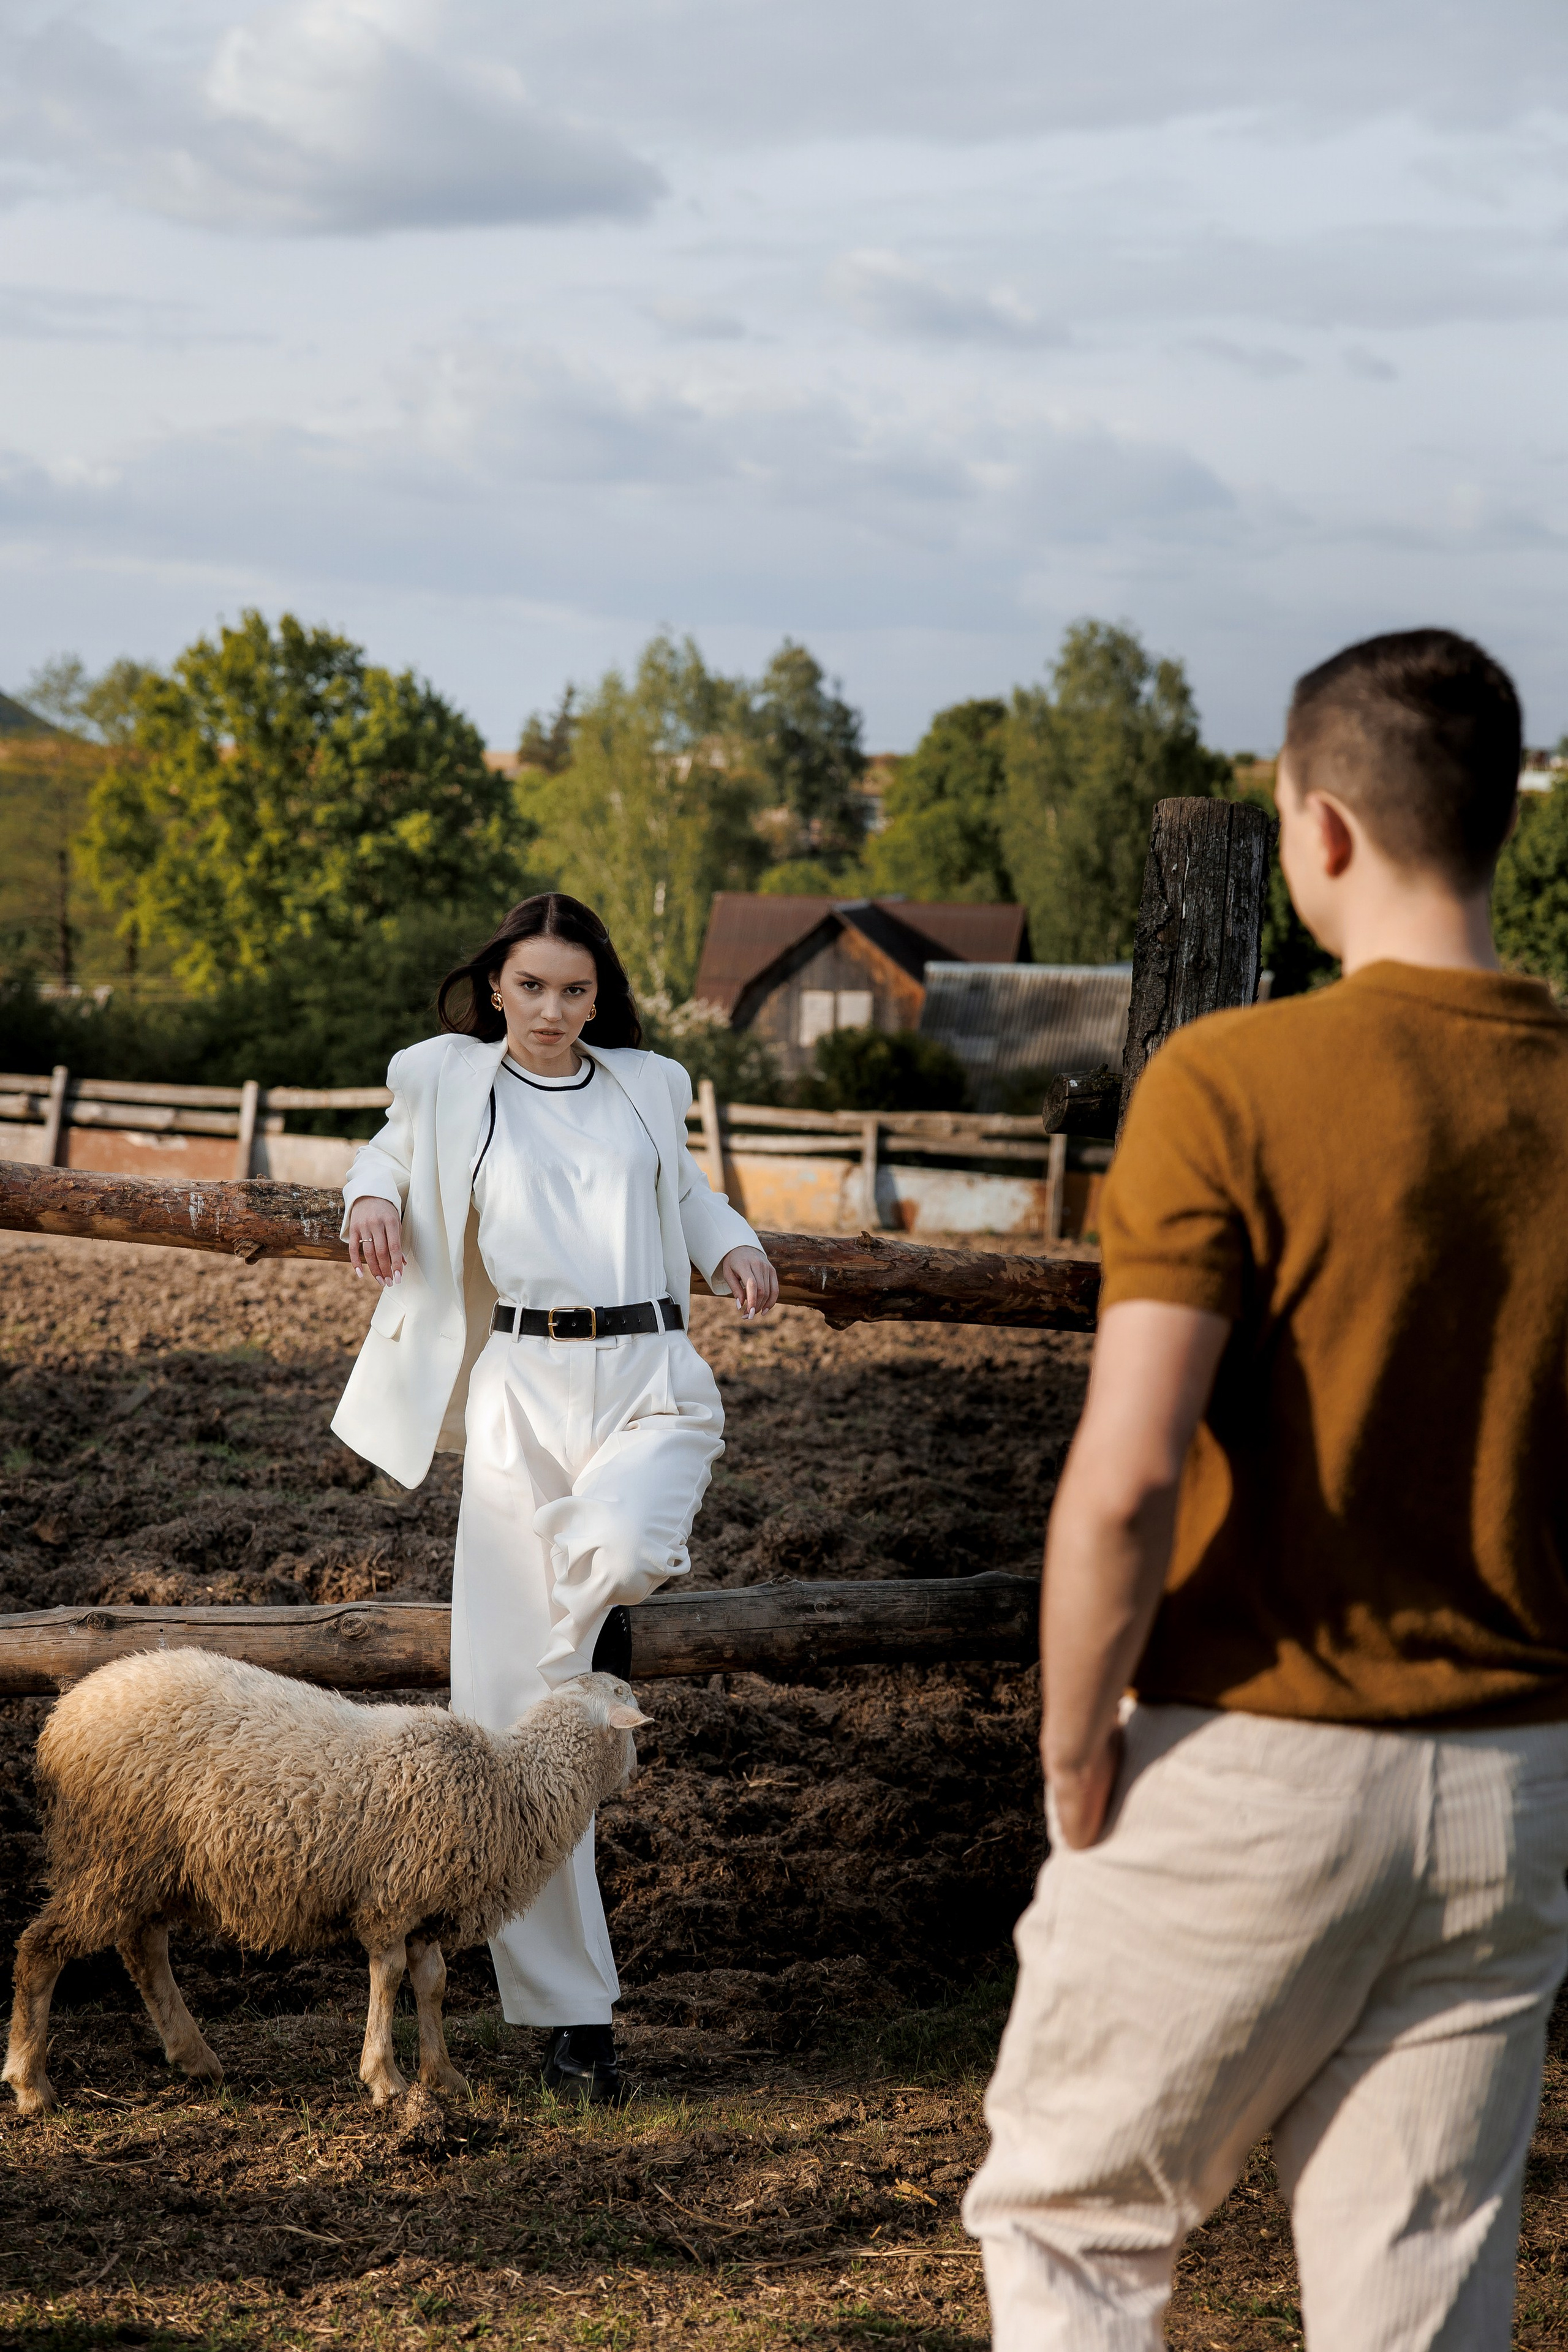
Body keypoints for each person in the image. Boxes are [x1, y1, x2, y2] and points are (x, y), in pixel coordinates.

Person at [964, 629, 1568, 2349]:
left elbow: (1128, 1475)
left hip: (1250, 1749)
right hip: (1517, 1781)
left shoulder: (1230, 1082)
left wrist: (1074, 1745)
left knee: (1073, 2224)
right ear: (1496, 821)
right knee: (1418, 2276)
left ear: (1320, 826)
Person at [331, 892, 778, 2104]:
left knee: (626, 1548)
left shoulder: (649, 1082)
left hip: (648, 1375)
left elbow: (685, 1194)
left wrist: (734, 1243)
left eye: (574, 990)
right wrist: (369, 1200)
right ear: (496, 988)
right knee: (509, 1720)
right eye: (530, 987)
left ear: (598, 996)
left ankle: (584, 1645)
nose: (550, 1010)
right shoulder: (447, 1078)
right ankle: (574, 2024)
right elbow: (386, 1154)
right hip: (520, 1388)